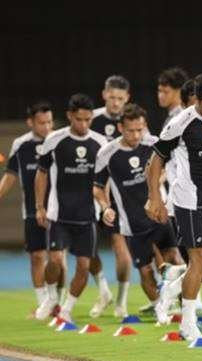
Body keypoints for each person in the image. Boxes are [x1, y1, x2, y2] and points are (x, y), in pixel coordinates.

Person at [146, 72, 202, 341]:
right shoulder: (180, 123)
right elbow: (155, 161)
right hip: (189, 200)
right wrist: (156, 198)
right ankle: (188, 323)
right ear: (197, 100)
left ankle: (172, 290)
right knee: (200, 257)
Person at [94, 104, 185, 315]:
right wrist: (105, 207)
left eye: (140, 129)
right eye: (130, 130)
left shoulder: (154, 144)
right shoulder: (107, 153)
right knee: (145, 270)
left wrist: (155, 182)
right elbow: (98, 187)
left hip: (159, 214)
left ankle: (184, 309)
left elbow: (170, 169)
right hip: (132, 222)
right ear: (120, 128)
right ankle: (160, 308)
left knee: (175, 260)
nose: (136, 135)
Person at [34, 94, 109, 323]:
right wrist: (40, 206)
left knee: (84, 267)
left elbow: (104, 179)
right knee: (55, 262)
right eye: (79, 119)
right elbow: (42, 173)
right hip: (59, 214)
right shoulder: (54, 140)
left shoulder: (100, 143)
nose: (84, 124)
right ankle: (50, 296)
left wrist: (105, 207)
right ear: (69, 116)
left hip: (87, 216)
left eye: (88, 119)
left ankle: (66, 310)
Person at [0, 102, 63, 311]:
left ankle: (58, 303)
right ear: (30, 122)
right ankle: (42, 303)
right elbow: (10, 176)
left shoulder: (59, 140)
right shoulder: (21, 144)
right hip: (31, 210)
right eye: (41, 123)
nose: (46, 127)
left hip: (58, 210)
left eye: (49, 122)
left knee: (58, 259)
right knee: (37, 256)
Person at [90, 75, 134, 317]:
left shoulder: (134, 122)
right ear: (104, 94)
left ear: (127, 98)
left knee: (121, 249)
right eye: (112, 97)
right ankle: (103, 289)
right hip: (91, 191)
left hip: (118, 194)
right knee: (86, 249)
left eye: (120, 98)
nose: (116, 102)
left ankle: (121, 302)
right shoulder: (91, 119)